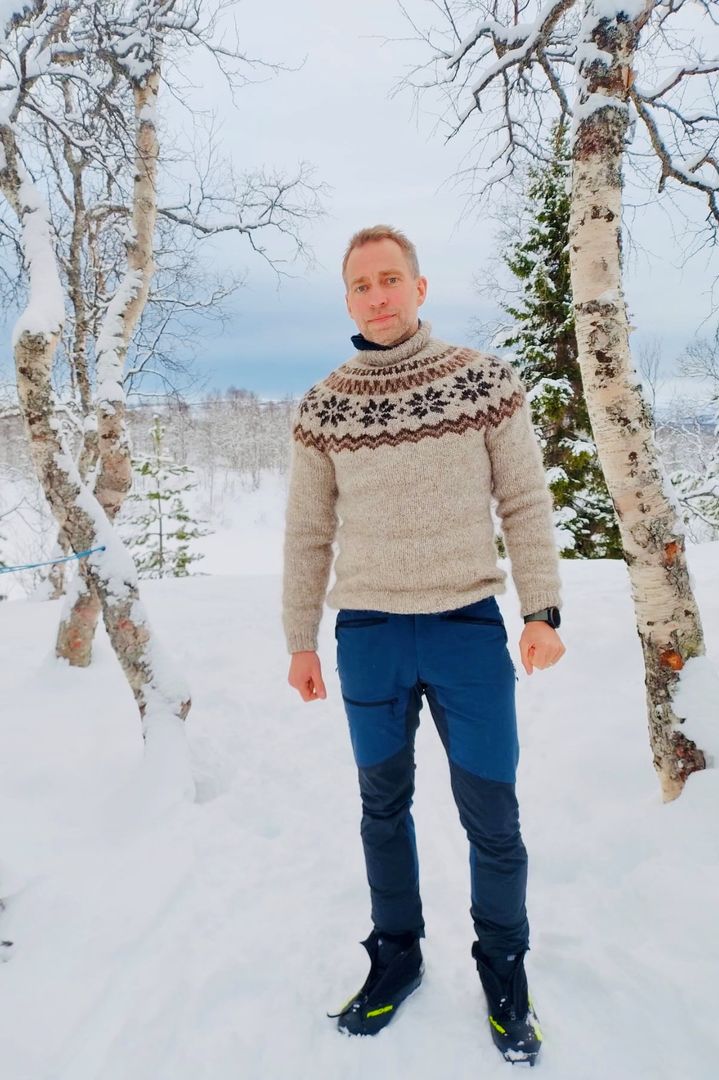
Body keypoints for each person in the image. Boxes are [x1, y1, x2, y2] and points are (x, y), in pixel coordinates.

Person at [282, 225, 565, 1065]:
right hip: (369, 634)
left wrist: (542, 610)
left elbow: (525, 500)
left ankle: (503, 966)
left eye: (389, 279)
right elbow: (307, 532)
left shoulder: (484, 381)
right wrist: (300, 639)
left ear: (419, 286)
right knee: (382, 808)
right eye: (361, 284)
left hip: (465, 630)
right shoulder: (323, 407)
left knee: (493, 815)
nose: (377, 296)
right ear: (347, 300)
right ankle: (396, 955)